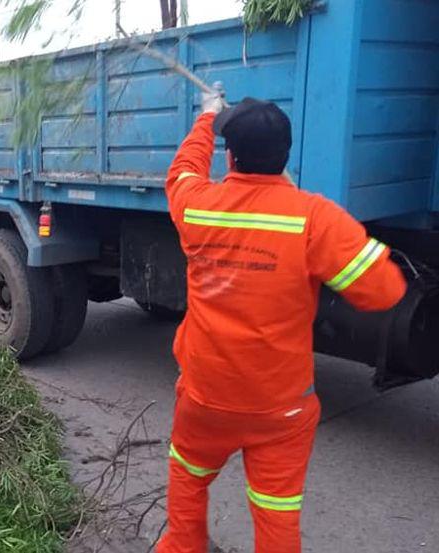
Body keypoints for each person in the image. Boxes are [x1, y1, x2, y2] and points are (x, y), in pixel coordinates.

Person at [157, 85, 407, 553]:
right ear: (285, 154)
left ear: (230, 158)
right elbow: (386, 291)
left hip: (205, 396)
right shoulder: (313, 218)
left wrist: (207, 117)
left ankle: (182, 545)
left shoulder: (198, 206)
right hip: (281, 407)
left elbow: (183, 172)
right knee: (276, 511)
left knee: (188, 477)